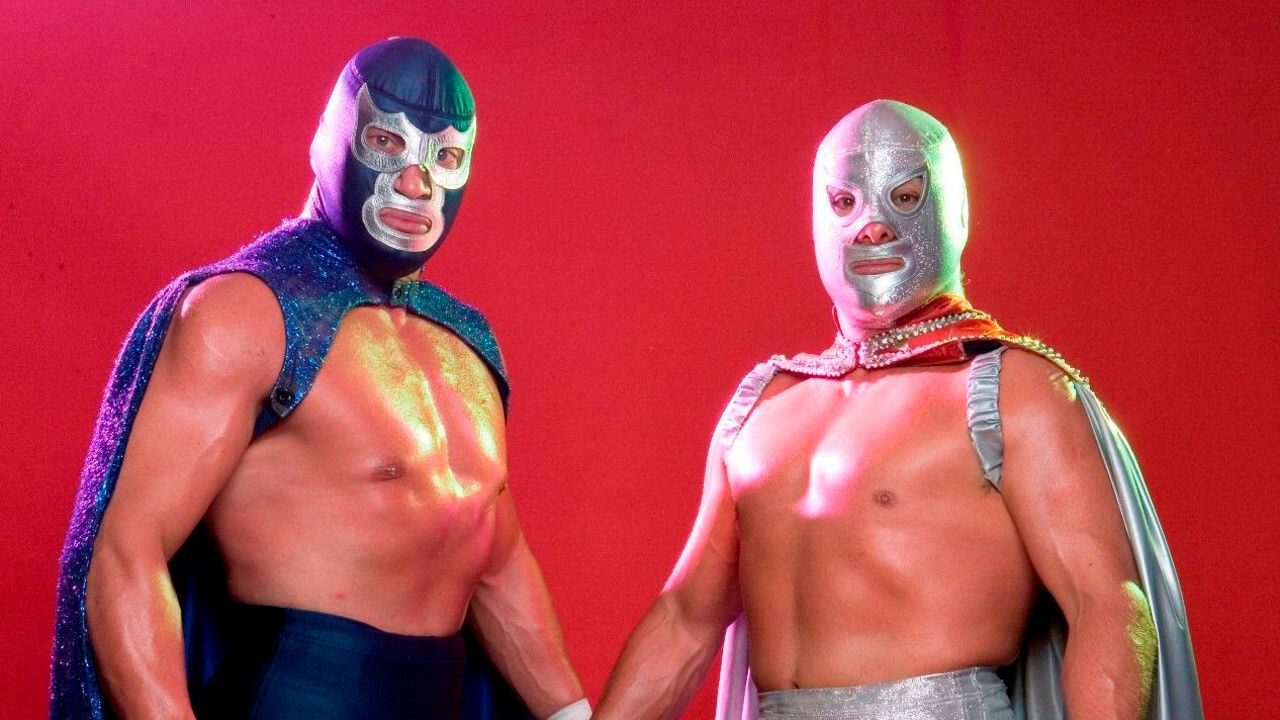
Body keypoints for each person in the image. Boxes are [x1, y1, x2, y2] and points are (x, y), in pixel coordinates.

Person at [596, 100, 1202, 720]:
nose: (872, 227)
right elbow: (685, 622)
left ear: (955, 212)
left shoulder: (1010, 389)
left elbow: (1107, 604)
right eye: (844, 202)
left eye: (905, 198)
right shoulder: (766, 403)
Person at [50, 37, 590, 720]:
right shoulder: (247, 312)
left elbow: (493, 558)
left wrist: (573, 715)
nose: (415, 185)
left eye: (445, 158)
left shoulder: (465, 340)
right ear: (329, 140)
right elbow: (125, 554)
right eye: (386, 143)